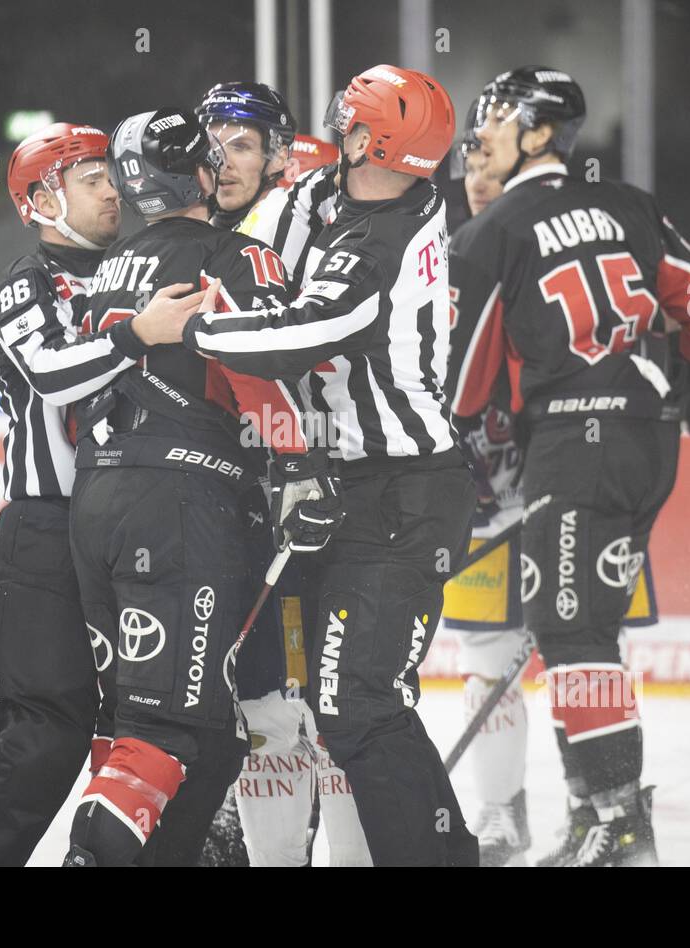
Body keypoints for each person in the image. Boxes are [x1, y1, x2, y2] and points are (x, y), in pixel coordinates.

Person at [169, 64, 479, 867]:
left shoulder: (381, 244)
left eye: (351, 123)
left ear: (373, 141)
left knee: (359, 707)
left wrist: (178, 329)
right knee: (329, 705)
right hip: (354, 490)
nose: (338, 131)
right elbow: (285, 232)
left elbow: (296, 332)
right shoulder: (339, 195)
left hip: (403, 496)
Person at [447, 66, 690, 866]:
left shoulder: (488, 233)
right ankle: (593, 812)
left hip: (574, 443)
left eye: (495, 122)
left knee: (572, 632)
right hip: (644, 438)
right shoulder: (628, 202)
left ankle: (621, 825)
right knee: (580, 629)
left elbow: (466, 388)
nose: (479, 138)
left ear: (538, 134)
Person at [61, 107, 338, 868]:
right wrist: (300, 467)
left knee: (131, 722)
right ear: (204, 173)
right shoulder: (235, 255)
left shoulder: (105, 272)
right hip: (184, 508)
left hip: (95, 502)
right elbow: (259, 368)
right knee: (170, 729)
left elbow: (74, 411)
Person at [0, 122, 187, 865]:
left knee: (139, 728)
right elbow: (52, 373)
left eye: (112, 176)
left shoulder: (136, 268)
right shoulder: (27, 282)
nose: (113, 189)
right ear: (41, 200)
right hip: (47, 535)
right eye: (91, 180)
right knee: (44, 735)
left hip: (126, 534)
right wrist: (139, 333)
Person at [195, 81, 370, 867]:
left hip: (317, 484)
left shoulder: (294, 207)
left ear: (278, 152)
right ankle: (261, 832)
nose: (220, 158)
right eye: (211, 142)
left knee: (316, 701)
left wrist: (301, 459)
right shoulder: (231, 227)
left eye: (239, 143)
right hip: (265, 486)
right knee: (274, 697)